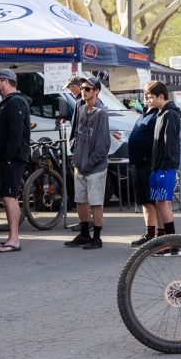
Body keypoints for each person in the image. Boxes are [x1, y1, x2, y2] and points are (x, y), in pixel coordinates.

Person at [64, 76, 110, 250]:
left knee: (96, 202)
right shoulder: (82, 109)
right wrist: (76, 157)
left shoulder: (101, 113)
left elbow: (103, 144)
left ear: (96, 91)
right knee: (80, 200)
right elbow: (76, 133)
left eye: (88, 89)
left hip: (95, 167)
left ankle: (96, 237)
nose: (84, 91)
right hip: (80, 164)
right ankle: (84, 233)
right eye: (82, 88)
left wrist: (90, 162)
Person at [0, 70, 30, 253]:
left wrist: (8, 157)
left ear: (5, 82)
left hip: (11, 160)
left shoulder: (16, 102)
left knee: (9, 197)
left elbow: (16, 132)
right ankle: (10, 237)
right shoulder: (6, 103)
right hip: (3, 159)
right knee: (6, 196)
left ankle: (15, 239)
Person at [147, 81, 181, 254]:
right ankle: (165, 242)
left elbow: (171, 143)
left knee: (163, 204)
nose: (148, 101)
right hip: (158, 166)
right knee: (160, 204)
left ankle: (173, 244)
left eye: (151, 97)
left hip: (165, 167)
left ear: (161, 96)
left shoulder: (170, 115)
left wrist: (165, 166)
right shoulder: (161, 113)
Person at [128, 84, 159, 247]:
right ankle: (150, 233)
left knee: (153, 201)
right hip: (137, 163)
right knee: (144, 201)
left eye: (150, 95)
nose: (147, 98)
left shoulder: (159, 115)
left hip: (149, 163)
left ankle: (160, 236)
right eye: (145, 95)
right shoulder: (144, 113)